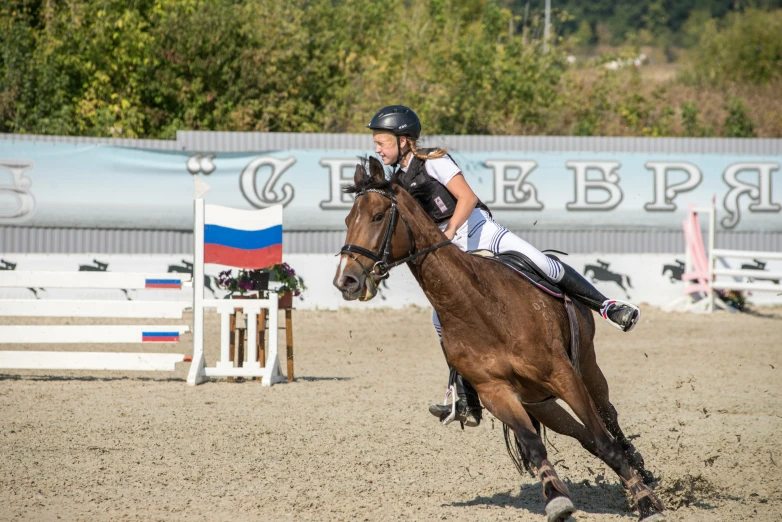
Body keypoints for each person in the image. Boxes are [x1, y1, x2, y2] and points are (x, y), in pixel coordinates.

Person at [367, 105, 640, 427]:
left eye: (381, 142)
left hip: (478, 229)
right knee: (441, 318)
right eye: (376, 143)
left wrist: (451, 229)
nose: (377, 149)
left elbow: (466, 199)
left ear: (404, 141)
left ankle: (608, 307)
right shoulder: (396, 180)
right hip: (450, 246)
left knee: (543, 264)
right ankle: (464, 399)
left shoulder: (433, 161)